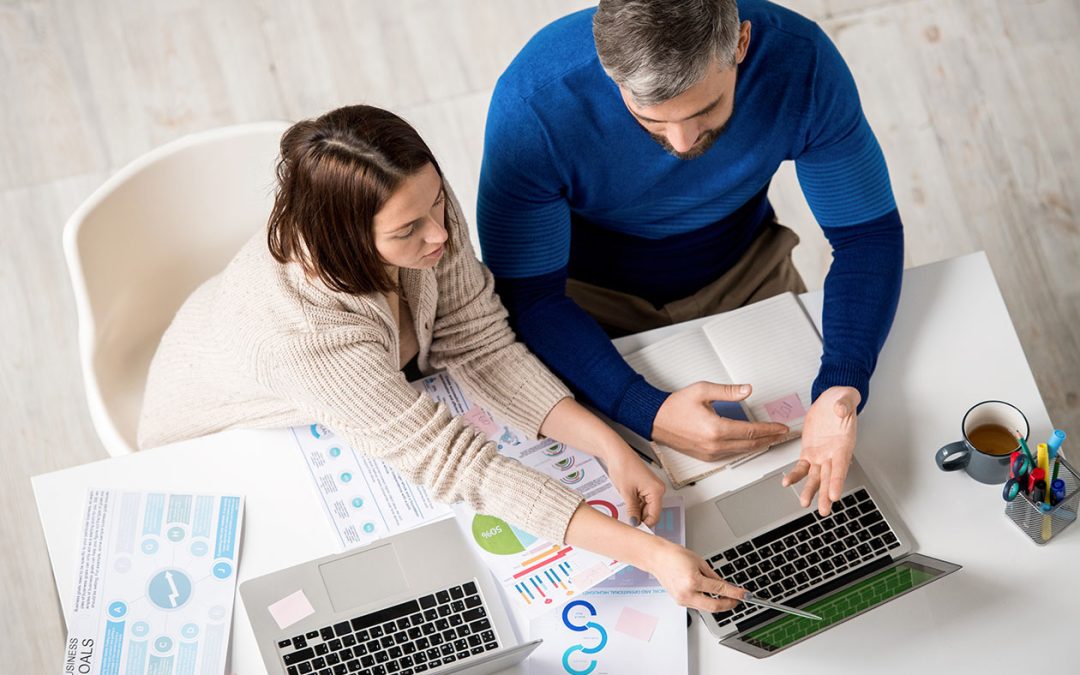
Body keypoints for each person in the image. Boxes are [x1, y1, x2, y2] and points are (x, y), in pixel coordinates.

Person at [138, 105, 744, 614]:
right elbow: (457, 465)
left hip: (342, 389)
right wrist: (648, 553)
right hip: (227, 440)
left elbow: (479, 341)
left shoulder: (414, 200)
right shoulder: (301, 336)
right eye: (409, 232)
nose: (441, 237)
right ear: (345, 240)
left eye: (437, 205)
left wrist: (610, 446)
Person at [477, 0, 903, 515]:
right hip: (585, 301)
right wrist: (645, 410)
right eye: (650, 117)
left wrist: (842, 384)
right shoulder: (534, 106)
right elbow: (530, 297)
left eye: (705, 110)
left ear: (741, 44)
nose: (681, 141)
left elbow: (867, 236)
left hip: (748, 269)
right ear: (611, 75)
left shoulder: (801, 62)